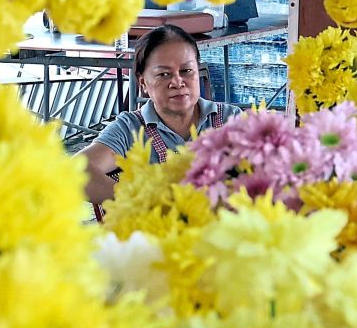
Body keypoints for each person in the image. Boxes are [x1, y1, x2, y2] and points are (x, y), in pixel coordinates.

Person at [80, 24, 242, 209]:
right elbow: (77, 170)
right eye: (164, 74)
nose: (177, 82)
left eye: (186, 71)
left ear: (199, 71)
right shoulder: (131, 129)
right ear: (143, 83)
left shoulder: (230, 119)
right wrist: (142, 203)